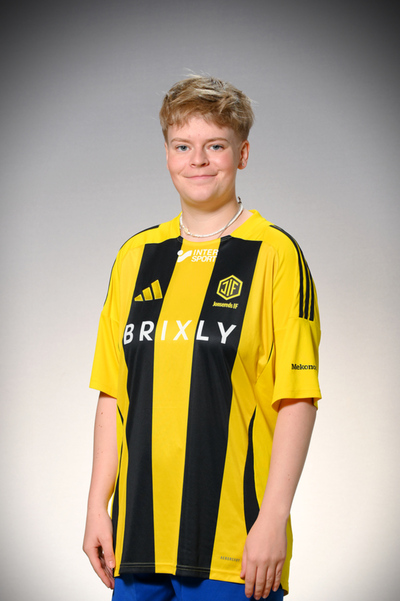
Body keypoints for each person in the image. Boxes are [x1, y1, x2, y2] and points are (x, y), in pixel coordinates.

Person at [83, 75, 321, 601]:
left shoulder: (275, 254)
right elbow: (112, 394)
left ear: (242, 153)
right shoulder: (136, 257)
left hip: (234, 547)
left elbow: (298, 398)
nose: (198, 160)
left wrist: (272, 519)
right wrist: (97, 505)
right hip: (136, 541)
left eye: (215, 145)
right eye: (182, 146)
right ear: (167, 155)